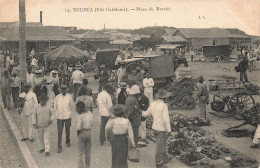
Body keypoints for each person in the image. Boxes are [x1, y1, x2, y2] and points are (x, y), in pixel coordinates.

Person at [150, 89, 172, 168]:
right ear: (165, 98)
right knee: (160, 146)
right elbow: (166, 118)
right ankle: (159, 163)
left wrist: (141, 113)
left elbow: (147, 113)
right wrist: (169, 130)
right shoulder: (164, 106)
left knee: (161, 144)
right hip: (161, 128)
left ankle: (164, 157)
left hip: (154, 127)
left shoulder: (153, 103)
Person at [54, 85, 74, 153]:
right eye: (62, 91)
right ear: (60, 91)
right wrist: (58, 113)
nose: (63, 92)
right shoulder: (57, 97)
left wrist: (68, 113)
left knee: (67, 129)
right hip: (59, 116)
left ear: (66, 91)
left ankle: (67, 141)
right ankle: (59, 146)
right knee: (59, 131)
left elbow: (71, 106)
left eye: (64, 91)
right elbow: (55, 106)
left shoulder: (69, 97)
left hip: (67, 116)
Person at [76, 101, 92, 168]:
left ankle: (81, 166)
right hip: (89, 132)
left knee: (80, 152)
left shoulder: (80, 116)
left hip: (82, 132)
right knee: (87, 152)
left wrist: (78, 134)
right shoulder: (90, 113)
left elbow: (78, 127)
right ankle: (87, 166)